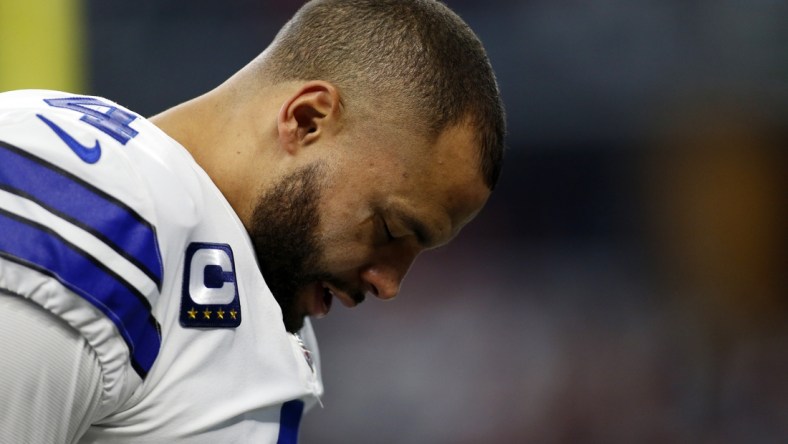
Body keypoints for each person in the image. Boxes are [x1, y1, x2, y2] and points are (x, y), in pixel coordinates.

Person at [0, 0, 505, 442]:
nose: (389, 284)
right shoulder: (86, 215)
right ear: (306, 119)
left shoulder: (245, 276)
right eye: (392, 230)